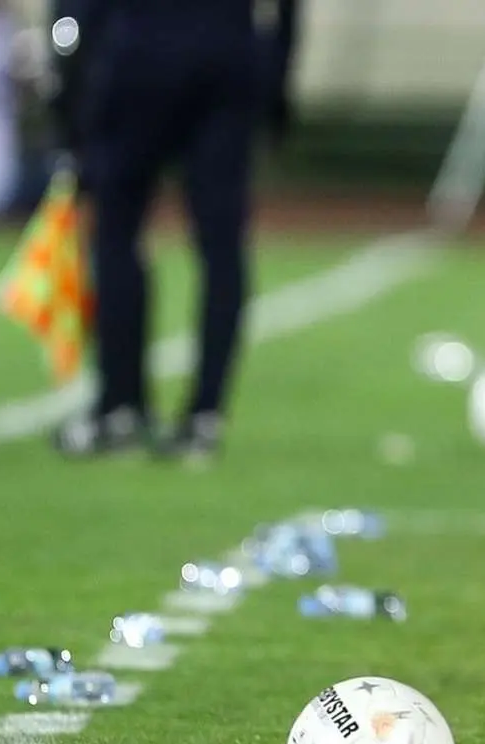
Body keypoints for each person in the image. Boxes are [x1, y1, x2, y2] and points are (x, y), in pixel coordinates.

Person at [45, 0, 300, 462]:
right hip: (226, 56)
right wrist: (278, 72)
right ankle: (204, 416)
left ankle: (120, 408)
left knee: (116, 233)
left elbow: (71, 13)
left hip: (136, 54)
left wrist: (69, 89)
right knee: (222, 244)